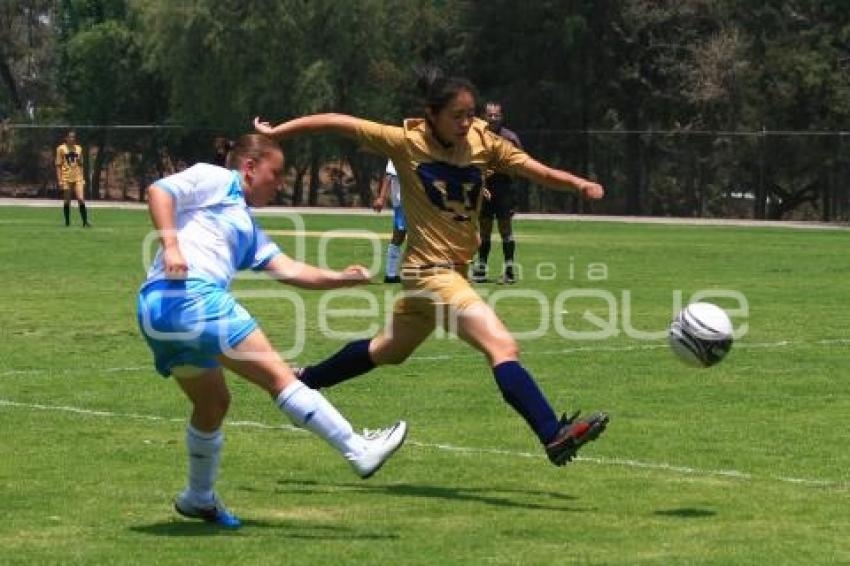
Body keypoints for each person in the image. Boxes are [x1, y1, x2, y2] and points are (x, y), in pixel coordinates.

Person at [254, 68, 609, 467]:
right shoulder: (405, 141)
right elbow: (338, 122)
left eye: (470, 114)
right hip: (430, 274)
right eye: (456, 115)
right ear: (431, 115)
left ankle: (302, 382)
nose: (465, 122)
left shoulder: (482, 142)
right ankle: (552, 434)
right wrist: (279, 132)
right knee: (502, 346)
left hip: (443, 274)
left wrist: (579, 184)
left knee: (386, 350)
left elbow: (536, 170)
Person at [137, 133, 407, 529]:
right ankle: (357, 449)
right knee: (280, 378)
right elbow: (159, 191)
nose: (279, 184)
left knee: (213, 404)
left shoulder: (245, 224)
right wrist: (172, 246)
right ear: (249, 167)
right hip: (190, 297)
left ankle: (198, 497)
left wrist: (340, 279)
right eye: (275, 173)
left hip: (156, 314)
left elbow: (289, 270)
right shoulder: (216, 177)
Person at [473, 102, 522, 284]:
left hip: (504, 190)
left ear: (502, 116)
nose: (493, 118)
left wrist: (499, 170)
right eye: (489, 115)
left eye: (496, 115)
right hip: (483, 190)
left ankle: (509, 272)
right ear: (483, 116)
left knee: (505, 230)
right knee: (484, 231)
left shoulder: (510, 138)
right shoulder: (477, 136)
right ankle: (481, 270)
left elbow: (520, 165)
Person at [372, 159, 407, 283]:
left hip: (420, 203)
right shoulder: (397, 152)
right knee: (399, 236)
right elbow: (388, 176)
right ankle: (390, 274)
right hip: (403, 202)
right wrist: (381, 198)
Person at [55, 130, 90, 227]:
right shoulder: (61, 149)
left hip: (78, 177)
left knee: (81, 199)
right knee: (67, 201)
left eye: (73, 137)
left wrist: (82, 177)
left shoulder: (79, 149)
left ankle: (85, 221)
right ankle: (67, 222)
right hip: (66, 178)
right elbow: (58, 165)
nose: (72, 139)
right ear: (66, 138)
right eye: (70, 137)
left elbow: (81, 164)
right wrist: (60, 180)